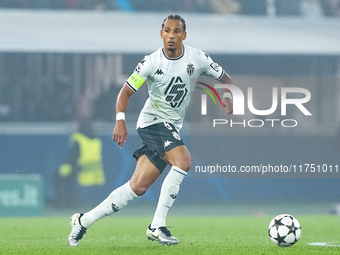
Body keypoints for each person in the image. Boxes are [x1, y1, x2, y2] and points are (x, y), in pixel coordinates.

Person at [67, 14, 233, 247]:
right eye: (167, 31)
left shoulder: (198, 58)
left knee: (137, 187)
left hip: (171, 127)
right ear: (161, 33)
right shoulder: (151, 62)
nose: (171, 36)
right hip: (152, 122)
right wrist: (120, 121)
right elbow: (124, 92)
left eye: (177, 31)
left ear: (184, 35)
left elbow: (226, 79)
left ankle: (83, 221)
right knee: (183, 162)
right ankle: (157, 225)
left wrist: (228, 98)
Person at [53, 118, 105, 208]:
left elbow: (73, 157)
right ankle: (71, 202)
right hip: (95, 172)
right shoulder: (97, 139)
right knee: (66, 178)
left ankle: (62, 203)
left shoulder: (78, 138)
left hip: (80, 169)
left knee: (56, 176)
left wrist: (67, 166)